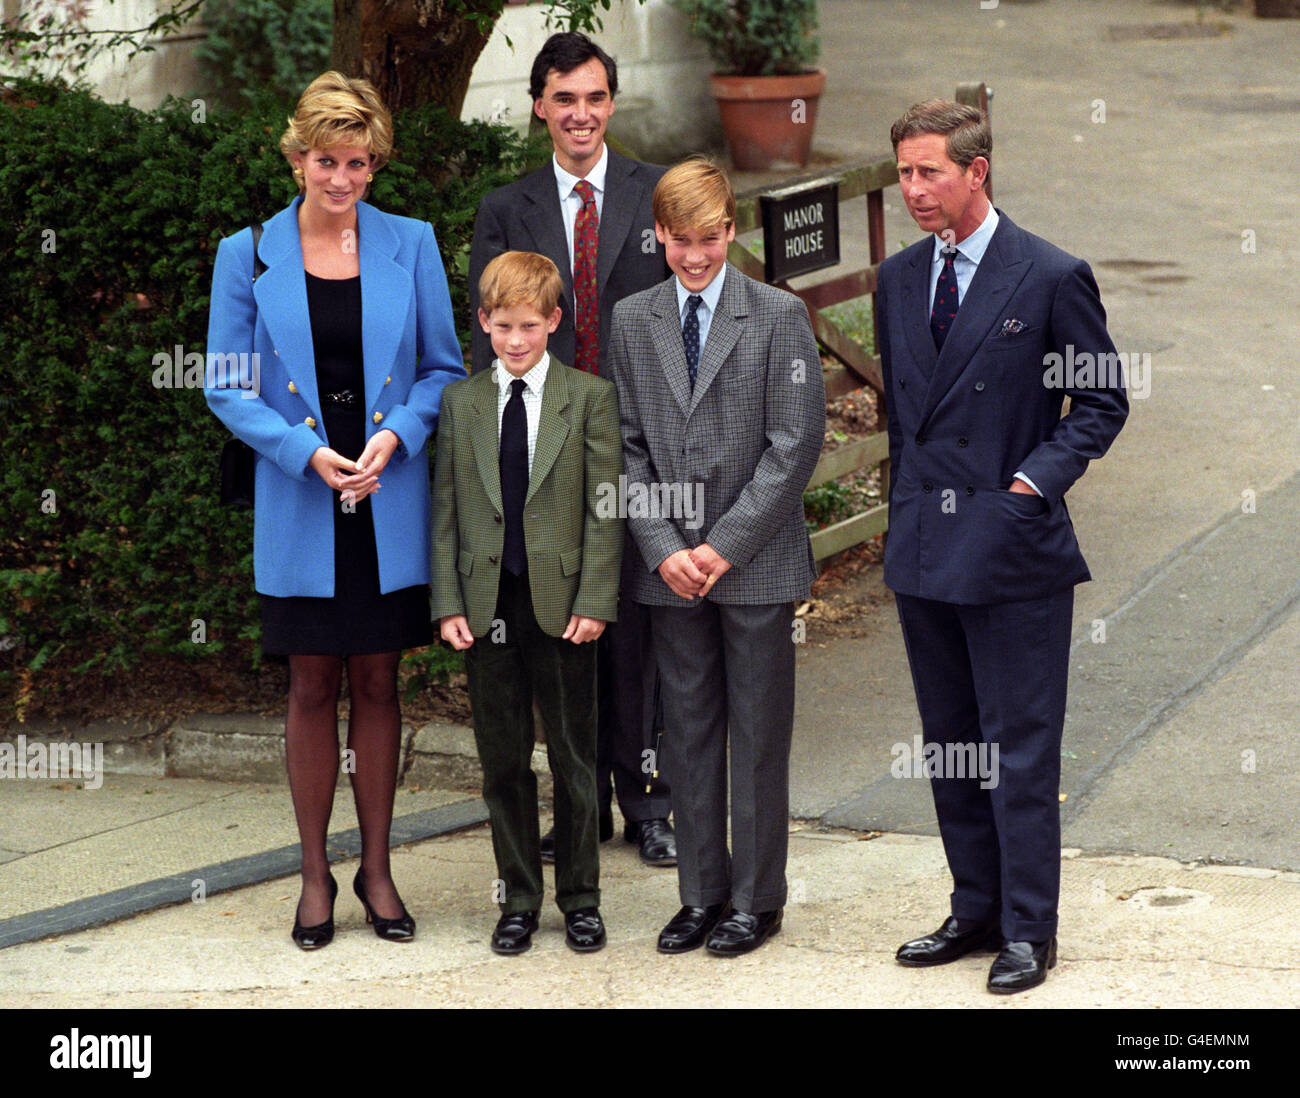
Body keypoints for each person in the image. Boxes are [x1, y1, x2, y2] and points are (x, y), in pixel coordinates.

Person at [205, 71, 465, 950]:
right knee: (312, 682)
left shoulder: (414, 243)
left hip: (386, 495)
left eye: (358, 162)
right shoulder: (246, 252)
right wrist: (304, 454)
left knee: (380, 680)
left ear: (374, 162)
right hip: (299, 498)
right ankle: (315, 874)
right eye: (326, 161)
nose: (342, 179)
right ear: (296, 158)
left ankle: (379, 869)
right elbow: (226, 385)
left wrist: (396, 440)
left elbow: (442, 369)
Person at [876, 100, 1128, 992]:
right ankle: (974, 907)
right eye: (903, 173)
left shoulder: (1051, 275)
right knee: (951, 742)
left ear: (976, 172)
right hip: (925, 544)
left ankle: (1030, 928)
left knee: (1017, 747)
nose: (912, 190)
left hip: (1012, 548)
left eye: (929, 172)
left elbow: (1100, 401)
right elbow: (903, 417)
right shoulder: (898, 277)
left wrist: (1030, 484)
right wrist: (904, 508)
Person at [468, 31, 676, 868]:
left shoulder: (654, 191)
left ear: (611, 103)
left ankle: (651, 801)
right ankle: (579, 811)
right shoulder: (505, 208)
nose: (580, 114)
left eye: (594, 98)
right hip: (549, 453)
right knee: (566, 634)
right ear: (539, 108)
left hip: (641, 444)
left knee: (640, 632)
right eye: (564, 99)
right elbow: (490, 346)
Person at [608, 158, 826, 956]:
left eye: (709, 239)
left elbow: (795, 444)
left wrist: (721, 548)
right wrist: (666, 548)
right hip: (669, 572)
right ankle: (699, 893)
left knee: (758, 732)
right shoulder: (635, 321)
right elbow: (626, 447)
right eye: (678, 241)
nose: (695, 256)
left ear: (731, 230)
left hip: (755, 560)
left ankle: (756, 899)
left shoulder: (776, 316)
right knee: (687, 731)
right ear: (657, 236)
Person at [433, 250, 624, 955]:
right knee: (503, 759)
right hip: (488, 603)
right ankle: (517, 897)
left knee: (576, 758)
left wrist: (597, 596)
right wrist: (448, 601)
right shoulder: (463, 403)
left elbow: (607, 509)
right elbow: (446, 509)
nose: (515, 342)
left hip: (565, 602)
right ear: (483, 323)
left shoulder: (589, 397)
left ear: (554, 321)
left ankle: (580, 897)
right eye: (502, 326)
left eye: (529, 326)